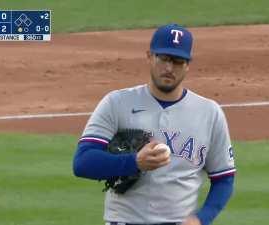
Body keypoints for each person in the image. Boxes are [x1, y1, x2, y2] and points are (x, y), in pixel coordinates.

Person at [73, 24, 236, 225]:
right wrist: (134, 162)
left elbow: (224, 178)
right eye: (164, 58)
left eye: (177, 61)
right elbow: (82, 163)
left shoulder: (209, 113)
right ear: (150, 56)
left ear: (188, 64)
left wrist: (202, 219)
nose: (169, 68)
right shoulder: (116, 103)